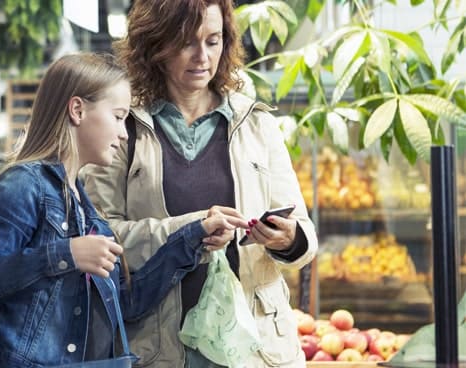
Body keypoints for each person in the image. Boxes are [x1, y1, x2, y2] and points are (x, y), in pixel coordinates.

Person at [0, 53, 249, 367]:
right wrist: (64, 254)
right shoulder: (23, 185)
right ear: (78, 110)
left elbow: (126, 303)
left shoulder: (86, 209)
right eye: (119, 116)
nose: (124, 133)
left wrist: (194, 236)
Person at [82, 1, 319, 367]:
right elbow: (100, 239)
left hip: (254, 349)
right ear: (155, 45)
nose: (202, 57)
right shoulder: (122, 128)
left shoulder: (256, 125)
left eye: (213, 41)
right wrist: (190, 231)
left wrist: (287, 239)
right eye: (186, 42)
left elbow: (305, 237)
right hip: (160, 347)